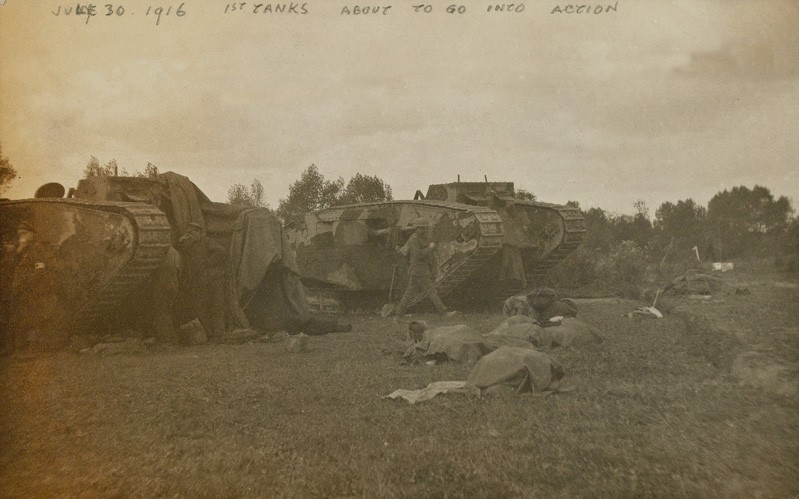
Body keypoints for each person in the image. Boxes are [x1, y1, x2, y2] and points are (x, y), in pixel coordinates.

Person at [394, 218, 456, 317]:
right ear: (418, 228)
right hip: (419, 270)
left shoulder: (422, 237)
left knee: (409, 294)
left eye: (425, 228)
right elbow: (419, 255)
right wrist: (430, 248)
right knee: (431, 291)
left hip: (420, 269)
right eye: (423, 228)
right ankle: (443, 312)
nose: (425, 230)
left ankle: (398, 314)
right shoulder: (414, 239)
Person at [177, 223, 229, 339]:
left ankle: (219, 335)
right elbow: (180, 250)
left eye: (193, 232)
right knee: (201, 307)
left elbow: (221, 252)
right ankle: (209, 334)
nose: (190, 235)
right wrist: (182, 240)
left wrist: (207, 263)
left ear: (200, 233)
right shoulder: (189, 245)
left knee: (217, 306)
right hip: (201, 281)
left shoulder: (207, 241)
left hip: (213, 279)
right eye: (189, 233)